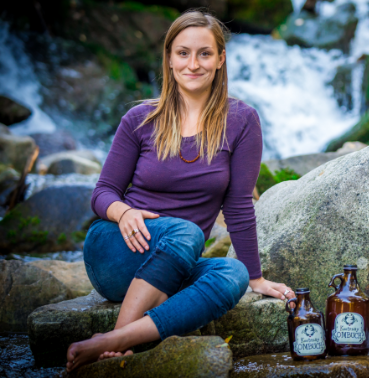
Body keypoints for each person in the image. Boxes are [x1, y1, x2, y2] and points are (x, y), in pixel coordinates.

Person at [65, 10, 295, 372]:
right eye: (183, 53)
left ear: (220, 59)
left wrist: (255, 277)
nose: (193, 64)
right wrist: (123, 212)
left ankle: (115, 340)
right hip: (116, 251)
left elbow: (237, 204)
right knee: (186, 232)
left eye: (204, 53)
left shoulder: (241, 121)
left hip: (176, 262)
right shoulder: (140, 119)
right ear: (170, 59)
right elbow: (103, 193)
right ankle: (121, 337)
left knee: (231, 276)